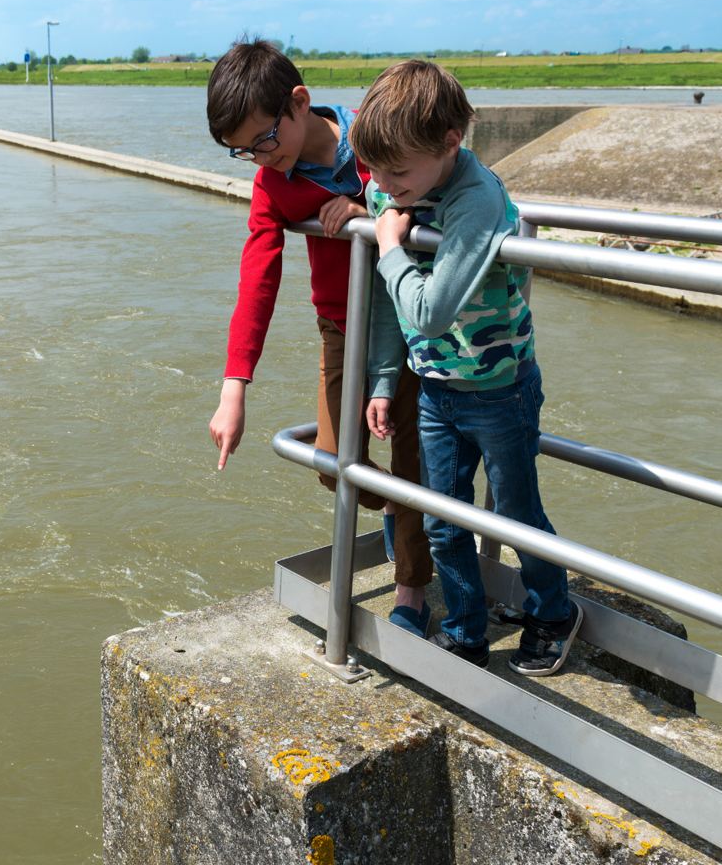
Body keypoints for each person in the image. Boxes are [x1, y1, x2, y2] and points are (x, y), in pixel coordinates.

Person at [352, 60, 582, 676]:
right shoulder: (387, 190)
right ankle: (464, 630)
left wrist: (391, 247)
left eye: (397, 171)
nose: (382, 184)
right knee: (442, 517)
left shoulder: (476, 198)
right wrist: (381, 380)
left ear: (451, 143)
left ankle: (553, 611)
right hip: (432, 386)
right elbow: (384, 304)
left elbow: (426, 311)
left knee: (513, 510)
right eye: (374, 169)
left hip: (498, 388)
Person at [204, 38, 433, 635]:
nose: (257, 160)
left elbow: (429, 193)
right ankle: (399, 512)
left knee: (411, 450)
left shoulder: (377, 139)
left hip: (410, 317)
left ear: (299, 103)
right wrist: (235, 389)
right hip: (340, 326)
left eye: (262, 141)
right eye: (240, 153)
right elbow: (258, 278)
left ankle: (411, 590)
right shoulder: (272, 184)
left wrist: (365, 209)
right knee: (335, 463)